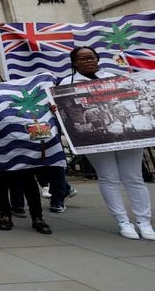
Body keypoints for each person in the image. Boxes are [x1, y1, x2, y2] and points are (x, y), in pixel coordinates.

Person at [66, 46, 155, 240]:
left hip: (127, 135)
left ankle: (144, 221)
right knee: (108, 177)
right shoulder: (67, 83)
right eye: (83, 58)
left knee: (134, 177)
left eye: (91, 57)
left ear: (97, 58)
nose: (89, 61)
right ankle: (123, 221)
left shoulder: (115, 77)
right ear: (75, 63)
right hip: (96, 140)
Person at [0, 61, 52, 235]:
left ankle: (37, 217)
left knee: (28, 180)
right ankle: (5, 215)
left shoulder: (14, 89)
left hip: (18, 142)